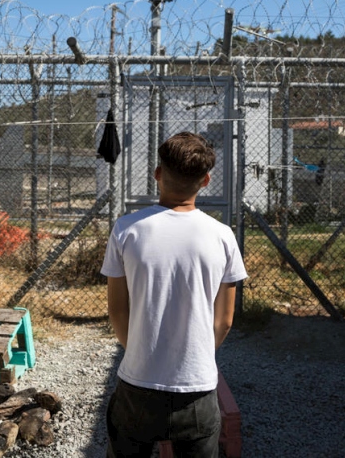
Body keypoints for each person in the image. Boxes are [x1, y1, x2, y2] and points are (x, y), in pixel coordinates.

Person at [101, 131, 248, 457]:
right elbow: (223, 321)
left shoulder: (126, 229)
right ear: (206, 180)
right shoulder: (223, 237)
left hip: (137, 384)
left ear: (157, 174)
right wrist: (195, 358)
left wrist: (140, 350)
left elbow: (117, 311)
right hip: (197, 389)